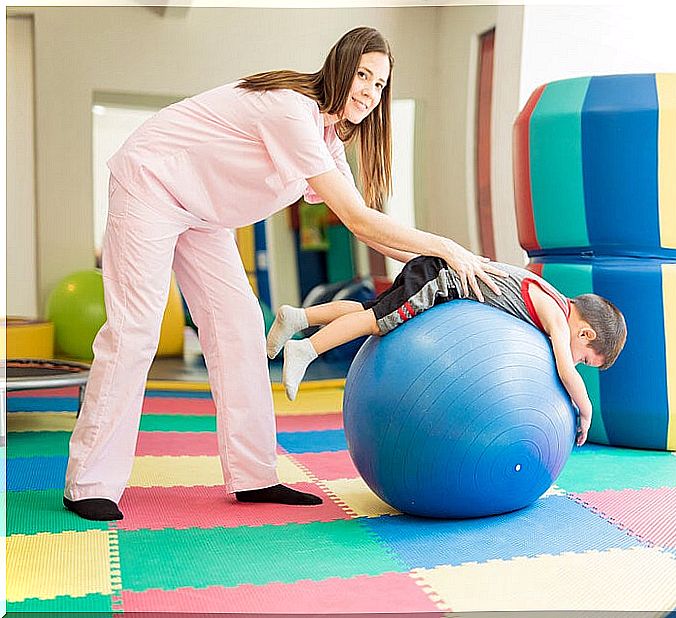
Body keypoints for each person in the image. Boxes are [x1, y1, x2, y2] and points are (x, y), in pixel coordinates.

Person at [63, 26, 506, 522]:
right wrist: (447, 246)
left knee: (240, 326)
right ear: (339, 67)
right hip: (150, 183)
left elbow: (365, 230)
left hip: (204, 214)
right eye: (363, 75)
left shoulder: (326, 141)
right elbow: (361, 220)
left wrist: (441, 268)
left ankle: (254, 477)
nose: (369, 91)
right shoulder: (290, 110)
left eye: (380, 84)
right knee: (135, 332)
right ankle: (89, 482)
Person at [266, 255, 627, 446]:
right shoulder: (559, 319)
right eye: (584, 357)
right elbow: (564, 370)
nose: (576, 361)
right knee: (376, 322)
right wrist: (585, 409)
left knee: (370, 311)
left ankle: (298, 317)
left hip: (433, 272)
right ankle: (306, 350)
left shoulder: (552, 298)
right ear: (585, 331)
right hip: (438, 280)